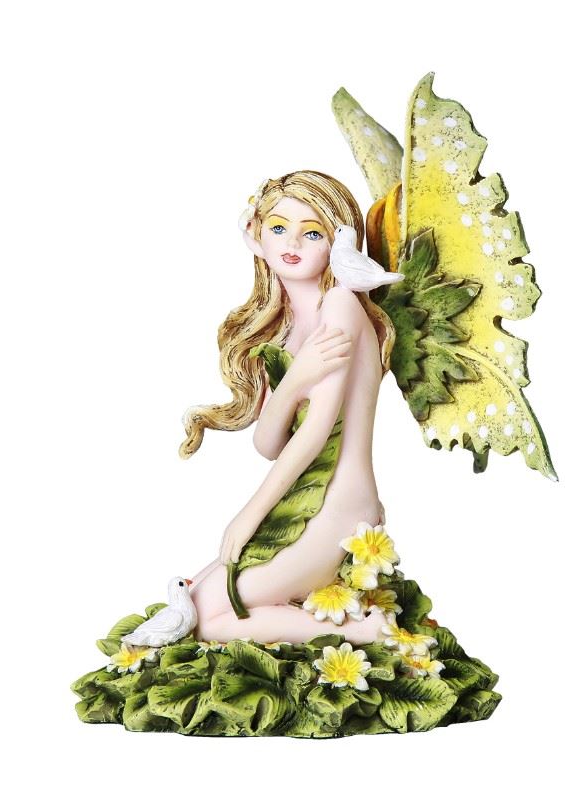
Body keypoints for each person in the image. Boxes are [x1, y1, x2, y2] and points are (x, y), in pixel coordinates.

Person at [179, 170, 397, 645]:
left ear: (338, 243)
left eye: (312, 232)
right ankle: (307, 620)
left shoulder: (339, 305)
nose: (292, 243)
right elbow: (268, 444)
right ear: (255, 236)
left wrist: (248, 515)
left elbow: (315, 433)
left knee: (208, 620)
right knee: (191, 603)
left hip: (339, 502)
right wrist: (296, 378)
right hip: (300, 494)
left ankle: (368, 633)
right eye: (278, 228)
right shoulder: (286, 326)